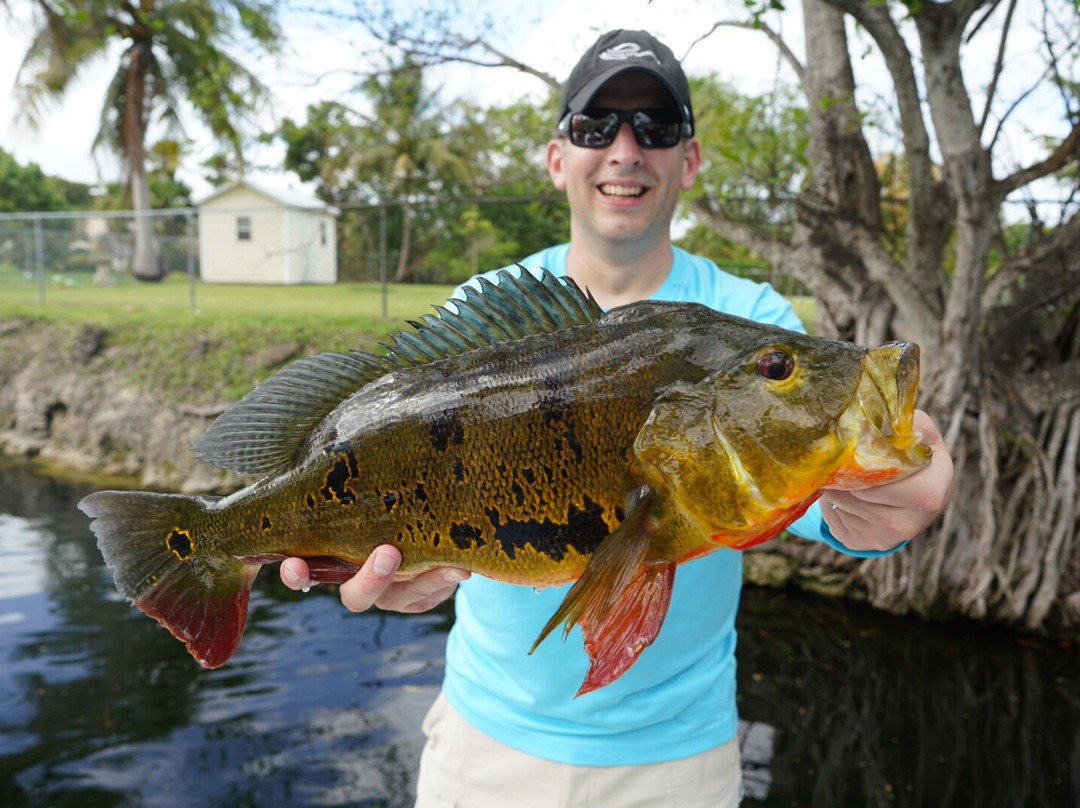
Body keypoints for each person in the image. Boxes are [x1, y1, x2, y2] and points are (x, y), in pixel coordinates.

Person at [281, 29, 955, 807]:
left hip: (677, 766)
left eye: (656, 128)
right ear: (557, 157)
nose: (625, 150)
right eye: (596, 127)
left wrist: (888, 504)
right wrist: (413, 577)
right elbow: (419, 498)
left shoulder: (753, 318)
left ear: (689, 159)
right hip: (482, 747)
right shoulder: (489, 308)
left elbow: (835, 512)